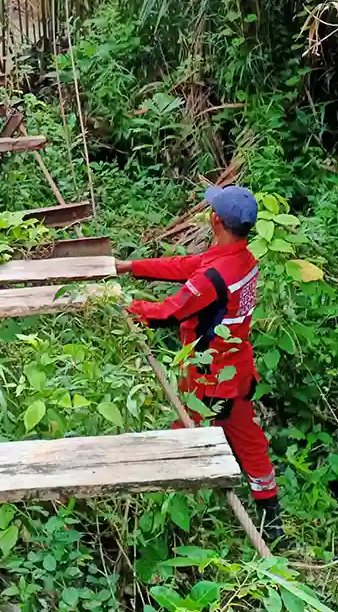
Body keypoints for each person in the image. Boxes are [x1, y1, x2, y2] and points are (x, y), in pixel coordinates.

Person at [117, 185, 283, 544]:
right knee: (249, 439)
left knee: (186, 438)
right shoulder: (242, 260)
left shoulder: (215, 275)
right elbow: (185, 267)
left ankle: (169, 520)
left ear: (215, 220)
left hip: (210, 378)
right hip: (237, 370)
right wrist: (131, 267)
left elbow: (169, 312)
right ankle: (272, 516)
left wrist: (125, 306)